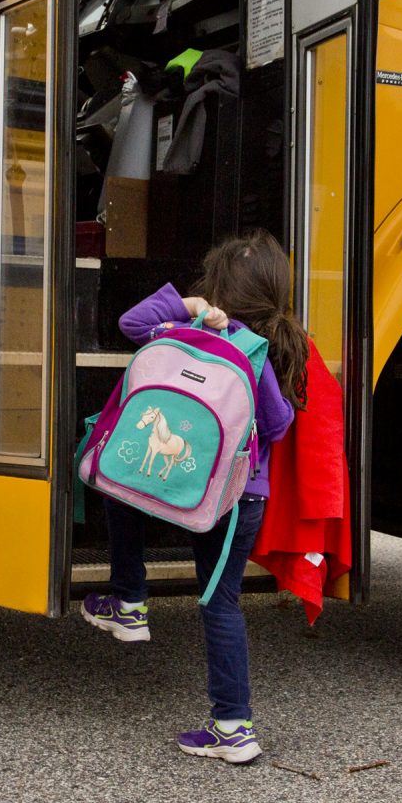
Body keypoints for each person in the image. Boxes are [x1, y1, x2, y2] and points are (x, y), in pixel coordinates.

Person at [79, 230, 311, 764]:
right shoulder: (255, 352)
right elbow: (278, 425)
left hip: (169, 480)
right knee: (219, 602)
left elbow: (130, 324)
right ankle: (234, 727)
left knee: (121, 481)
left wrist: (188, 307)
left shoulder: (181, 327)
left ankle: (130, 601)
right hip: (235, 499)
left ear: (215, 287)